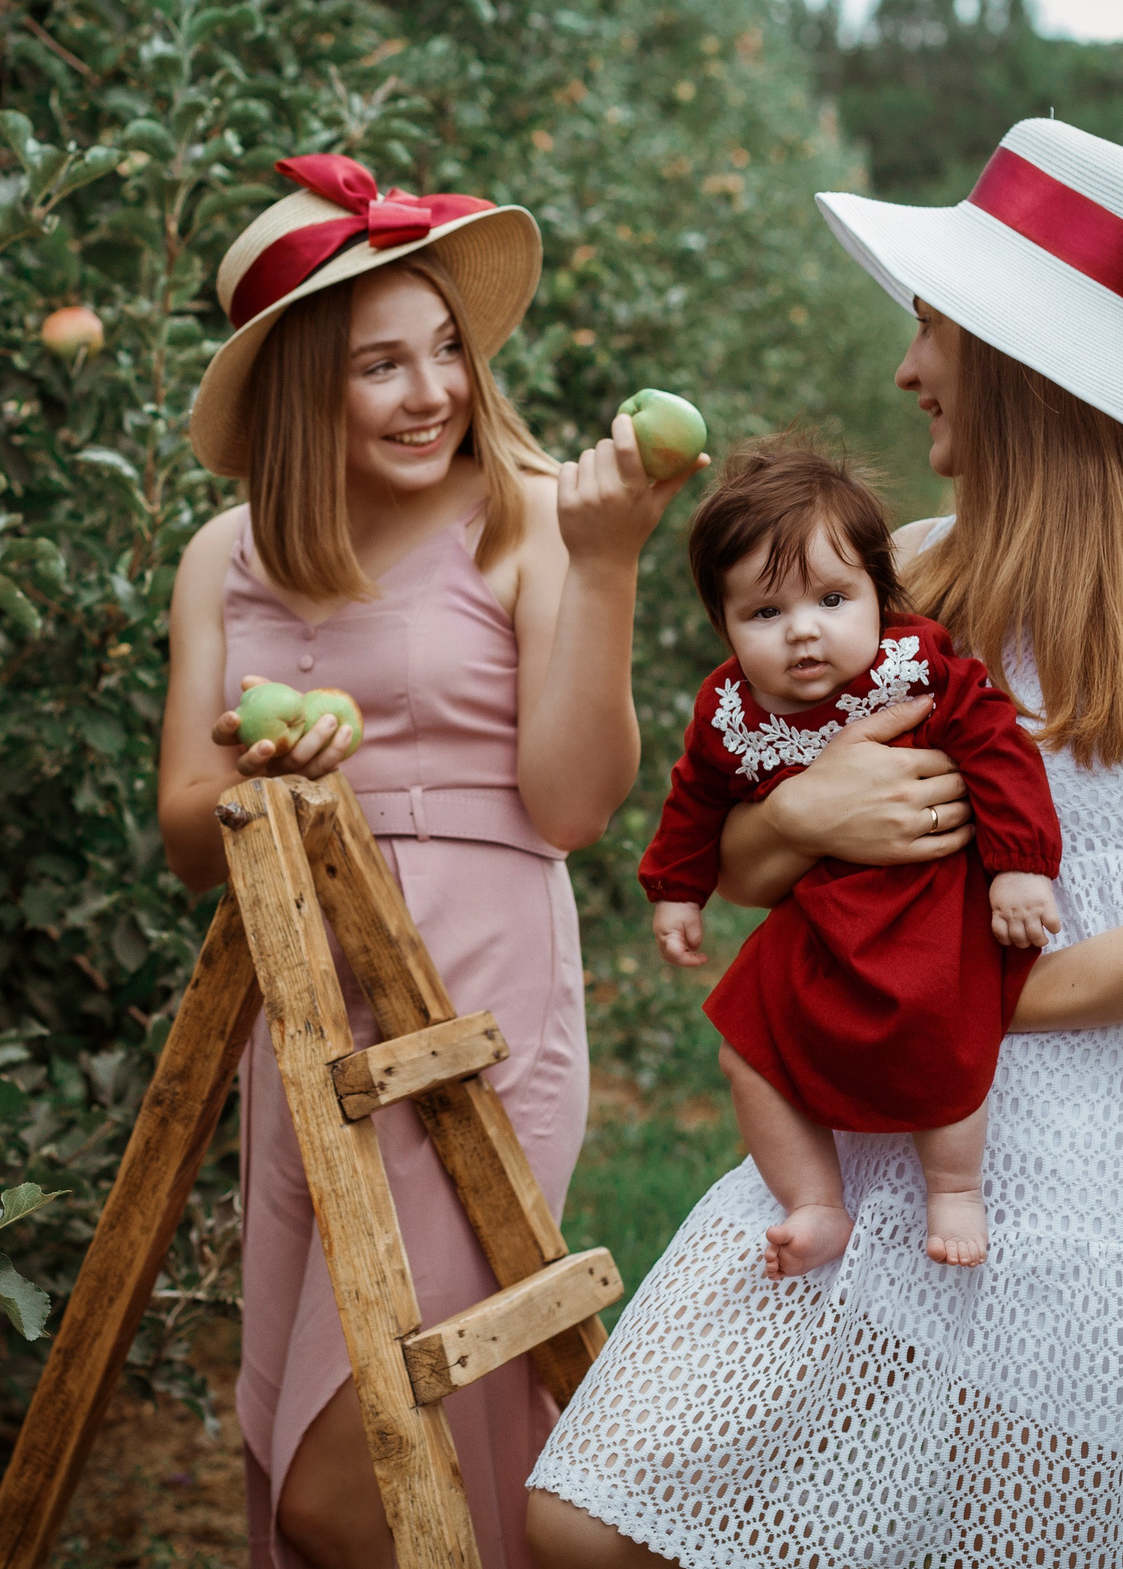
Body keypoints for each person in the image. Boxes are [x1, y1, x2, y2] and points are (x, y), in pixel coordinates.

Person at [526, 118, 1123, 1566]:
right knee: (591, 1512)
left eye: (930, 330)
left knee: (996, 1539)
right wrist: (794, 817)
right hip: (877, 1134)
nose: (906, 371)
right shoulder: (907, 573)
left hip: (1106, 1177)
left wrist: (950, 999)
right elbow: (760, 861)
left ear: (1023, 362)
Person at [156, 153, 702, 1569]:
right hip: (307, 1009)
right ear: (297, 393)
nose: (433, 393)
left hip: (478, 1005)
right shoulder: (227, 557)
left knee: (344, 1480)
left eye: (447, 352)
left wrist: (611, 566)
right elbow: (182, 835)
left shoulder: (522, 513)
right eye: (379, 366)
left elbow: (575, 804)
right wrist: (263, 779)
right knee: (333, 1444)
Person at [638, 438, 1061, 1276]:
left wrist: (1021, 862)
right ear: (721, 623)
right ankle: (814, 1201)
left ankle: (954, 1186)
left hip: (924, 906)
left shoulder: (915, 669)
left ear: (878, 590)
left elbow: (999, 747)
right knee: (744, 1044)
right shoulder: (731, 710)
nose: (804, 631)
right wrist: (675, 890)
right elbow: (696, 797)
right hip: (817, 920)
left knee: (944, 1031)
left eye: (833, 598)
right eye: (764, 613)